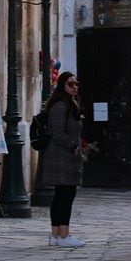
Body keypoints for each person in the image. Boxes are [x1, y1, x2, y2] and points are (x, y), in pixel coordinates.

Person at [41, 71, 85, 248]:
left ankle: (56, 235)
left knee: (61, 195)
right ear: (62, 86)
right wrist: (73, 146)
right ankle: (63, 235)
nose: (74, 87)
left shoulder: (69, 104)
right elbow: (58, 133)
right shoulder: (60, 106)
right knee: (66, 195)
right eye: (70, 84)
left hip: (64, 156)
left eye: (76, 84)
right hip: (62, 157)